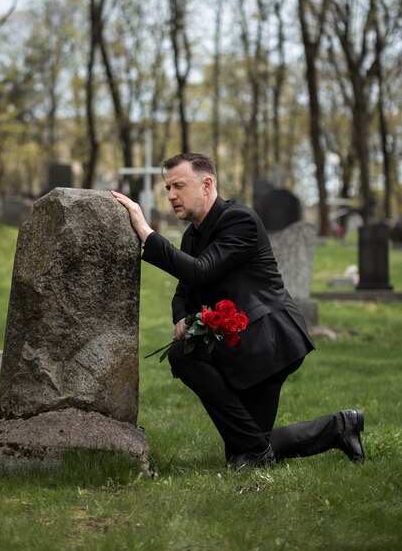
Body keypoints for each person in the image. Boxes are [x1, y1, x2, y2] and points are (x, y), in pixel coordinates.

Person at [111, 152, 365, 468]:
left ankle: (270, 449)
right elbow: (184, 290)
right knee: (244, 451)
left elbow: (200, 271)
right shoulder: (192, 235)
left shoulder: (239, 220)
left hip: (268, 341)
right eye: (167, 188)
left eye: (178, 185)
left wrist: (146, 234)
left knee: (188, 361)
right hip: (238, 344)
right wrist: (180, 317)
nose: (171, 195)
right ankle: (341, 427)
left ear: (206, 184)